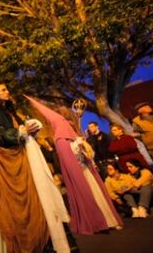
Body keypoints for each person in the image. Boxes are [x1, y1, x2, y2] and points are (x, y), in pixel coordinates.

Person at [0, 84, 71, 253]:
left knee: (38, 196)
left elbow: (19, 128)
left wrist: (29, 128)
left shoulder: (7, 110)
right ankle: (32, 242)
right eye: (3, 90)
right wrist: (20, 133)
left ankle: (46, 239)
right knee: (22, 204)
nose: (7, 92)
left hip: (24, 158)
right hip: (11, 165)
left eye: (7, 89)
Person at [26, 96, 123, 235]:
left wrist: (82, 143)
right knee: (88, 196)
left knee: (97, 195)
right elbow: (70, 158)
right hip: (79, 173)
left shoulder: (74, 135)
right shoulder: (60, 139)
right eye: (66, 119)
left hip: (86, 171)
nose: (68, 122)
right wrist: (78, 144)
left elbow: (87, 154)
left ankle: (109, 220)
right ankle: (97, 222)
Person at [132, 102, 153, 171]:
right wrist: (147, 139)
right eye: (145, 106)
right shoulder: (137, 122)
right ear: (140, 110)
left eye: (148, 105)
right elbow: (136, 134)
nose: (148, 106)